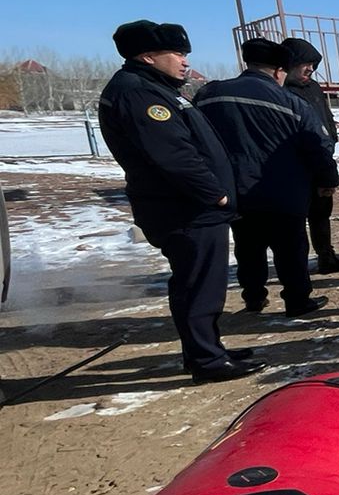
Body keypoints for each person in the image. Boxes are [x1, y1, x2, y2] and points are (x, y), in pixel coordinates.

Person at [97, 20, 262, 383]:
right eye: (177, 53)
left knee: (201, 283)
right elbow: (174, 155)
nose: (184, 61)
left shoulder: (155, 88)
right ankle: (207, 360)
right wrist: (214, 194)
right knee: (198, 285)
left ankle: (206, 349)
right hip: (184, 208)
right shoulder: (137, 93)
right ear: (147, 56)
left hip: (191, 206)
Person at [197, 39, 338, 319]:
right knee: (290, 248)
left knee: (248, 246)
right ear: (278, 71)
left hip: (234, 190)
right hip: (284, 190)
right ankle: (297, 300)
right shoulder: (290, 102)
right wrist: (327, 179)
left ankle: (253, 298)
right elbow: (317, 146)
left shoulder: (209, 95)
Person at [280, 37, 339, 273]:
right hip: (293, 165)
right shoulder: (279, 90)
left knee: (321, 212)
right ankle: (296, 266)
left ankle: (326, 257)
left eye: (313, 65)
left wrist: (331, 139)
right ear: (289, 64)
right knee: (292, 218)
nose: (310, 69)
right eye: (305, 64)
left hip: (320, 160)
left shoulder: (313, 88)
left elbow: (325, 118)